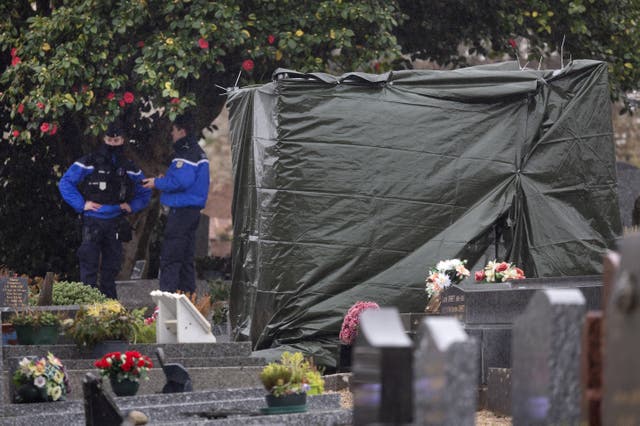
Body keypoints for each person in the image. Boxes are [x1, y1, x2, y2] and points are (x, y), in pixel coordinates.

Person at [59, 122, 151, 299]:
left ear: (123, 140)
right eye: (109, 139)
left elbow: (145, 189)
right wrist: (81, 204)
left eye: (116, 140)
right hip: (92, 221)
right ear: (103, 139)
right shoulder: (89, 161)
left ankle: (109, 310)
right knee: (89, 267)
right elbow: (65, 183)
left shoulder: (129, 166)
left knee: (112, 267)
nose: (112, 143)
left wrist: (132, 206)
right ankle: (87, 308)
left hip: (115, 222)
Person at [142, 113, 209, 293]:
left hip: (181, 213)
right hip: (192, 212)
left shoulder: (187, 152)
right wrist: (167, 179)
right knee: (186, 260)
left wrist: (157, 183)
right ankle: (188, 299)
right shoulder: (197, 152)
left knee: (170, 258)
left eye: (173, 130)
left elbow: (182, 182)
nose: (171, 134)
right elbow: (185, 179)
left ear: (181, 130)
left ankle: (167, 301)